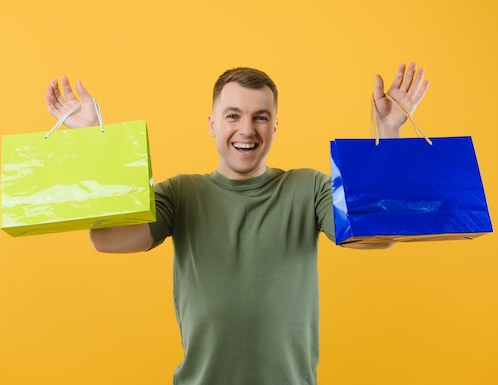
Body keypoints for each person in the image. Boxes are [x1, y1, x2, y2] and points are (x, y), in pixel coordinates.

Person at [45, 63, 429, 385]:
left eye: (260, 117)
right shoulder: (181, 194)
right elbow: (110, 239)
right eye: (233, 115)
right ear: (212, 124)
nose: (247, 129)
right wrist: (90, 143)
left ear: (275, 127)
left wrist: (389, 135)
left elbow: (378, 235)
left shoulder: (306, 187)